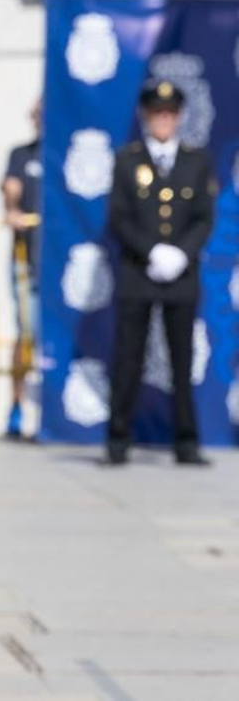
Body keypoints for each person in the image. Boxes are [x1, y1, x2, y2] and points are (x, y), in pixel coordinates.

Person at [105, 80, 216, 467]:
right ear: (146, 117)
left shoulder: (195, 161)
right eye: (157, 114)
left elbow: (203, 217)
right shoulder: (128, 160)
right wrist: (150, 250)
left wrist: (180, 254)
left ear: (179, 117)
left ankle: (186, 443)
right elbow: (118, 216)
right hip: (139, 272)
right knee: (128, 359)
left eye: (169, 114)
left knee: (181, 362)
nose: (163, 120)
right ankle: (118, 441)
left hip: (181, 276)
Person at [2, 102, 42, 440]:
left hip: (60, 264)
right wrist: (12, 209)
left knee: (51, 338)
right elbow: (11, 187)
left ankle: (46, 411)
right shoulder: (22, 154)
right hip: (26, 258)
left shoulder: (63, 150)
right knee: (26, 333)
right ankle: (18, 407)